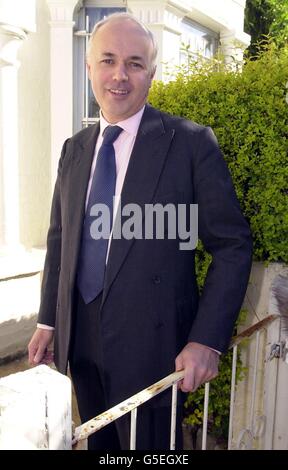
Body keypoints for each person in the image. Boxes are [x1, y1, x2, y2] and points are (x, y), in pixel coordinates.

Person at [28, 12, 252, 450]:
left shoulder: (189, 144)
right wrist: (48, 321)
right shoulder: (75, 151)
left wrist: (207, 340)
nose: (120, 75)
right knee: (101, 446)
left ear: (151, 73)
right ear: (89, 67)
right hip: (82, 340)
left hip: (155, 347)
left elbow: (232, 245)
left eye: (134, 63)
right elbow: (61, 242)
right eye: (108, 60)